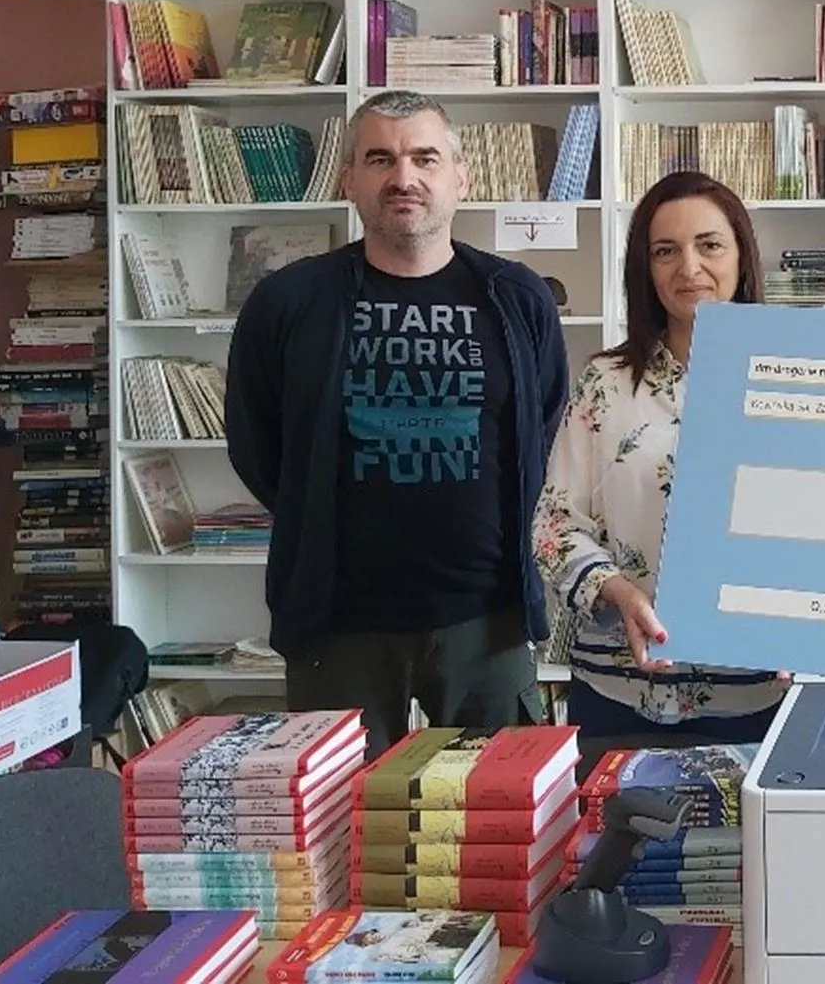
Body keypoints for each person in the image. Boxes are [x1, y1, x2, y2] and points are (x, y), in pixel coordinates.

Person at [226, 90, 569, 760]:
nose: (403, 176)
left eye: (424, 157)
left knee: (495, 814)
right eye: (380, 158)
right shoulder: (286, 302)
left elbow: (544, 428)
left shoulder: (518, 298)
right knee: (342, 816)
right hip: (337, 628)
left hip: (487, 621)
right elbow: (256, 443)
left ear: (460, 177)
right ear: (349, 179)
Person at [533, 170, 787, 742]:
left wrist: (813, 623)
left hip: (756, 691)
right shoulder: (604, 382)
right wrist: (616, 590)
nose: (688, 267)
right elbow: (554, 526)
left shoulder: (798, 381)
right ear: (644, 269)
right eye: (665, 251)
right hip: (619, 688)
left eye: (709, 245)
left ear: (742, 257)